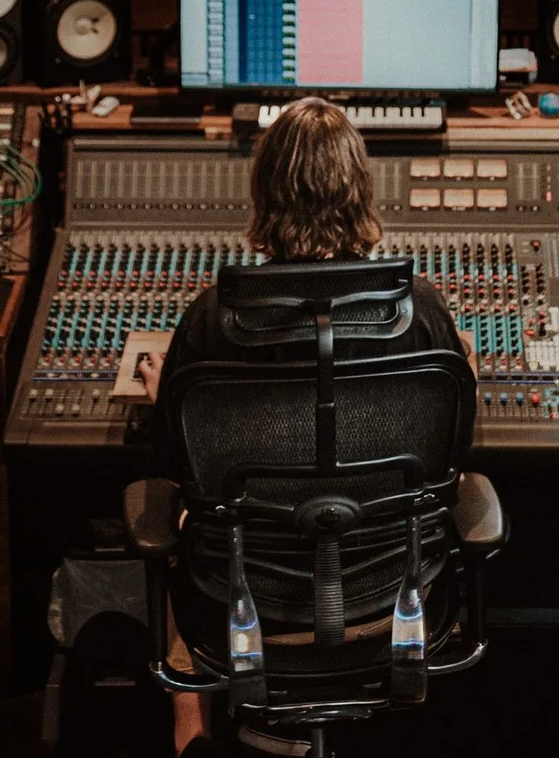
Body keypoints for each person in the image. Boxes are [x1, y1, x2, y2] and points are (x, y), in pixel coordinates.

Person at [132, 96, 473, 758]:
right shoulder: (420, 312)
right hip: (393, 596)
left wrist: (165, 394)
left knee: (173, 526)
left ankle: (192, 717)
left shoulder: (211, 320)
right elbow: (453, 451)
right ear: (361, 188)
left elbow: (176, 463)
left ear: (262, 193)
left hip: (240, 602)